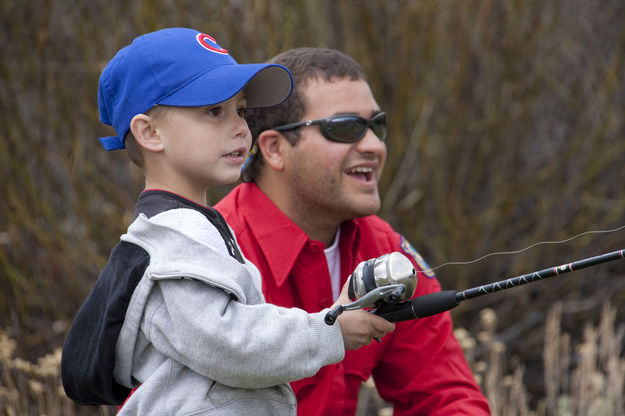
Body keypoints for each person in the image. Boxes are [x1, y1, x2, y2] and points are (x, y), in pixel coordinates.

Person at [60, 29, 395, 415]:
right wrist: (329, 330)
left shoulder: (188, 227)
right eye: (214, 111)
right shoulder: (180, 234)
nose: (240, 126)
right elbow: (226, 344)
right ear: (150, 133)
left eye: (240, 109)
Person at [215, 47, 492, 415]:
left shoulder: (387, 250)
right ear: (275, 149)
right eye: (344, 128)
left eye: (377, 126)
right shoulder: (211, 254)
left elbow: (446, 398)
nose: (374, 146)